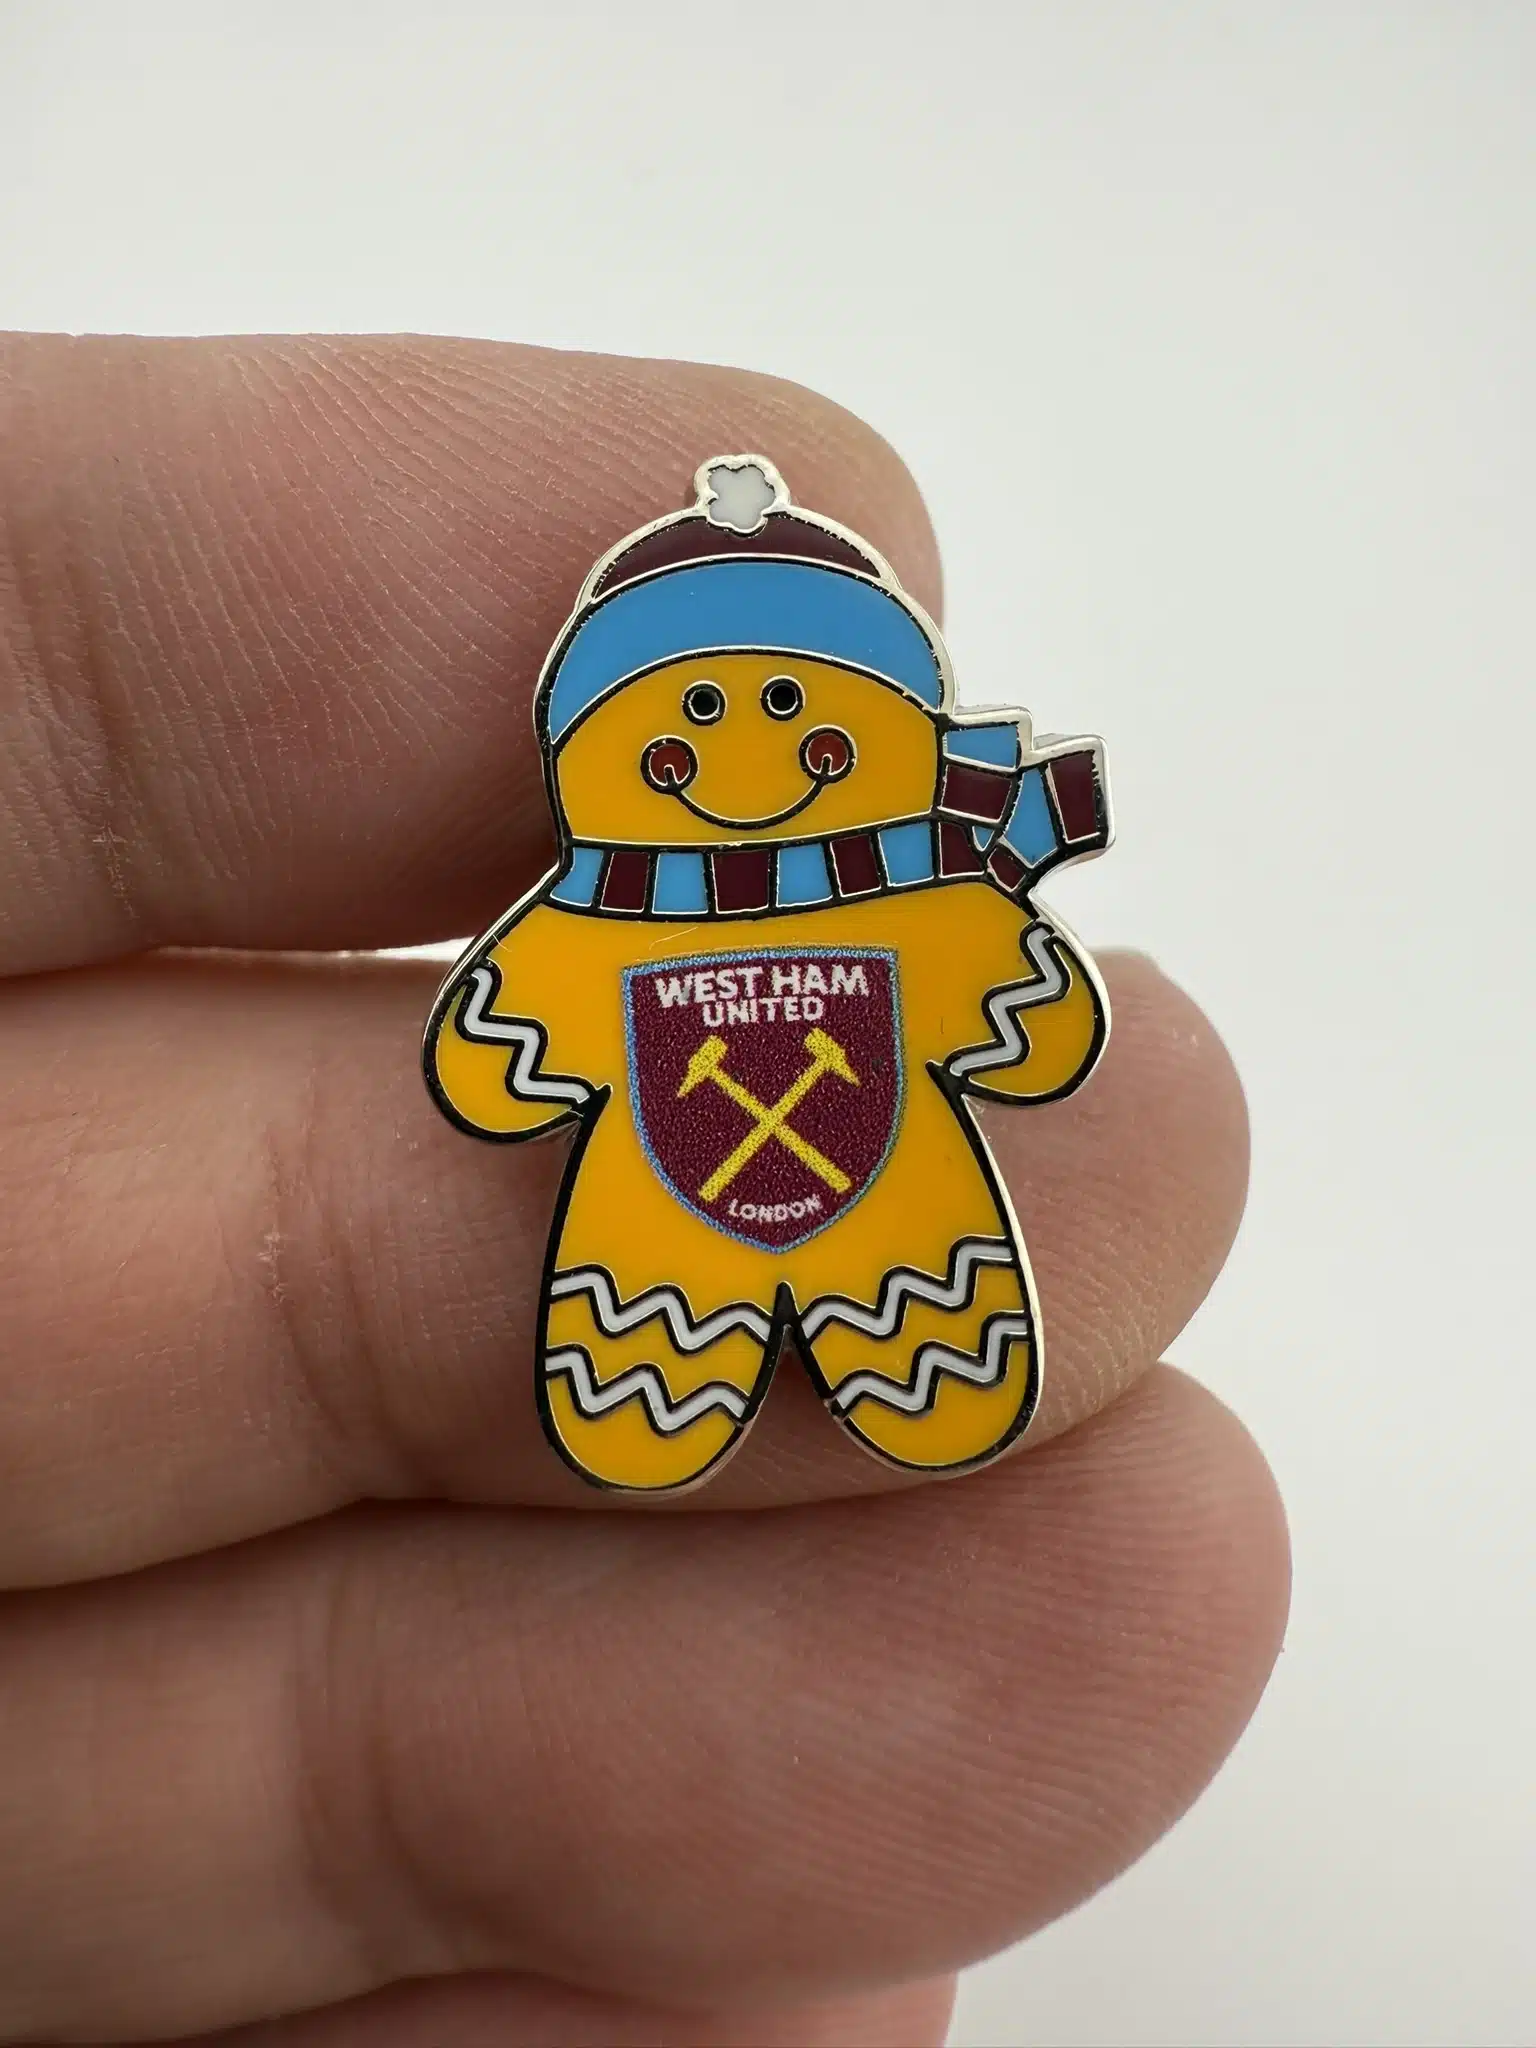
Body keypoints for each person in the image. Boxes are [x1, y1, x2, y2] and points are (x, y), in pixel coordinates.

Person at [0, 332, 1289, 2047]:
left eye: (792, 703)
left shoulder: (923, 900)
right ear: (594, 745)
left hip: (902, 1207)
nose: (743, 743)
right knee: (645, 1361)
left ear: (893, 728)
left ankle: (914, 1354)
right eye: (688, 709)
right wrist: (520, 1031)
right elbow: (487, 1065)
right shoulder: (589, 919)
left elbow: (1042, 1036)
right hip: (651, 1227)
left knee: (931, 1338)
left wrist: (1013, 962)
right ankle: (660, 1375)